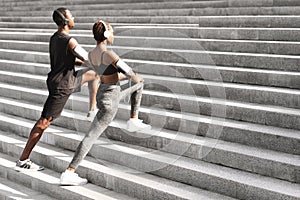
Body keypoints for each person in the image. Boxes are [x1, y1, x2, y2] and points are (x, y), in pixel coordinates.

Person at [59, 20, 151, 185]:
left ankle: (70, 171)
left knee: (90, 135)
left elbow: (106, 74)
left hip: (104, 93)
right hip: (111, 99)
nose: (113, 35)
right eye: (112, 32)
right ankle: (133, 119)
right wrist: (134, 76)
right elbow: (131, 74)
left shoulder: (91, 54)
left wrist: (122, 76)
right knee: (140, 82)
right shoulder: (109, 54)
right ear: (107, 35)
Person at [14, 8, 100, 171]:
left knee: (94, 75)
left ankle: (92, 110)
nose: (74, 17)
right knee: (44, 122)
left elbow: (69, 61)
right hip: (62, 85)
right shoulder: (70, 40)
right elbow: (87, 58)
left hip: (66, 79)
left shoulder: (55, 38)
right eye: (71, 16)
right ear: (66, 21)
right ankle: (23, 159)